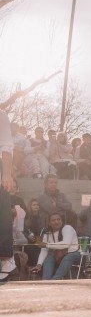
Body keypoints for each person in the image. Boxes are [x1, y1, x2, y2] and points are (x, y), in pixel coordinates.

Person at [31, 212, 80, 280]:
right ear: (49, 223)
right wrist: (39, 264)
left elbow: (66, 244)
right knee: (49, 258)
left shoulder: (67, 228)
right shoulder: (47, 233)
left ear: (61, 221)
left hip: (73, 253)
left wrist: (46, 245)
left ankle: (55, 280)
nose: (56, 222)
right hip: (57, 255)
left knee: (69, 257)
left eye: (58, 219)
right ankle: (46, 280)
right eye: (53, 220)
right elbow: (44, 249)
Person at [0, 109, 18, 282]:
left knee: (2, 213)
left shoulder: (1, 115)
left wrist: (6, 174)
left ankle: (7, 260)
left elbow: (6, 146)